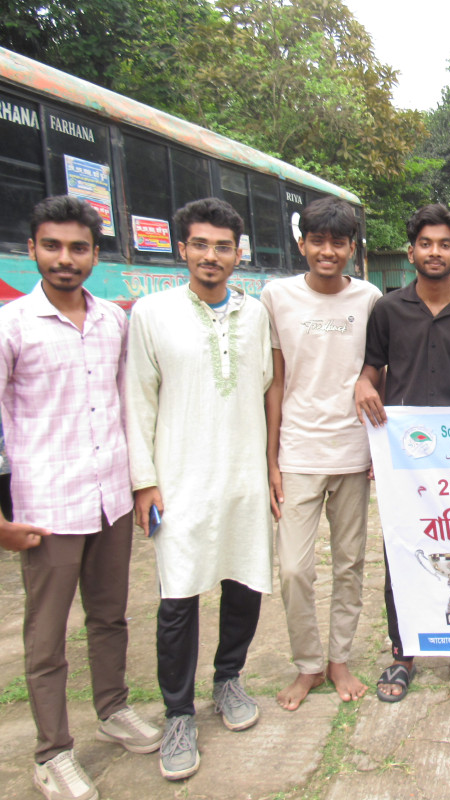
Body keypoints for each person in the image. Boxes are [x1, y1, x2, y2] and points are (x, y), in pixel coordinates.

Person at [0, 196, 160, 800]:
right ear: (32, 250)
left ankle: (113, 708)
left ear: (95, 254)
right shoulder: (12, 325)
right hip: (47, 509)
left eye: (78, 248)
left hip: (110, 498)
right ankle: (52, 753)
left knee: (110, 616)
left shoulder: (113, 321)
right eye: (52, 246)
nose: (64, 259)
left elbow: (128, 406)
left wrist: (140, 485)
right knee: (46, 637)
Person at [126, 198, 274, 780]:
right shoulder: (151, 313)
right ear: (182, 249)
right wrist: (144, 482)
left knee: (245, 581)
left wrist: (270, 468)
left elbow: (266, 387)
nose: (212, 256)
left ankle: (228, 679)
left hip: (242, 477)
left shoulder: (255, 315)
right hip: (179, 482)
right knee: (178, 595)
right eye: (201, 245)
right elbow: (138, 399)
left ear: (239, 255)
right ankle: (178, 713)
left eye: (223, 246)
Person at [355, 204, 450, 702]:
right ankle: (403, 652)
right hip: (403, 459)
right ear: (412, 251)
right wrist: (361, 385)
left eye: (445, 245)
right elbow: (372, 371)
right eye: (426, 244)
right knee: (402, 551)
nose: (435, 252)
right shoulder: (387, 310)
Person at [262, 197, 381, 710]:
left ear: (352, 247)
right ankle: (308, 664)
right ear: (302, 243)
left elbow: (377, 371)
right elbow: (275, 381)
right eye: (317, 241)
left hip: (352, 450)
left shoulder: (369, 298)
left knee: (350, 563)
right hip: (298, 452)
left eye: (337, 242)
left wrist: (376, 445)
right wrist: (271, 459)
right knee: (293, 569)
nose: (327, 251)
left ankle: (339, 659)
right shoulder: (277, 296)